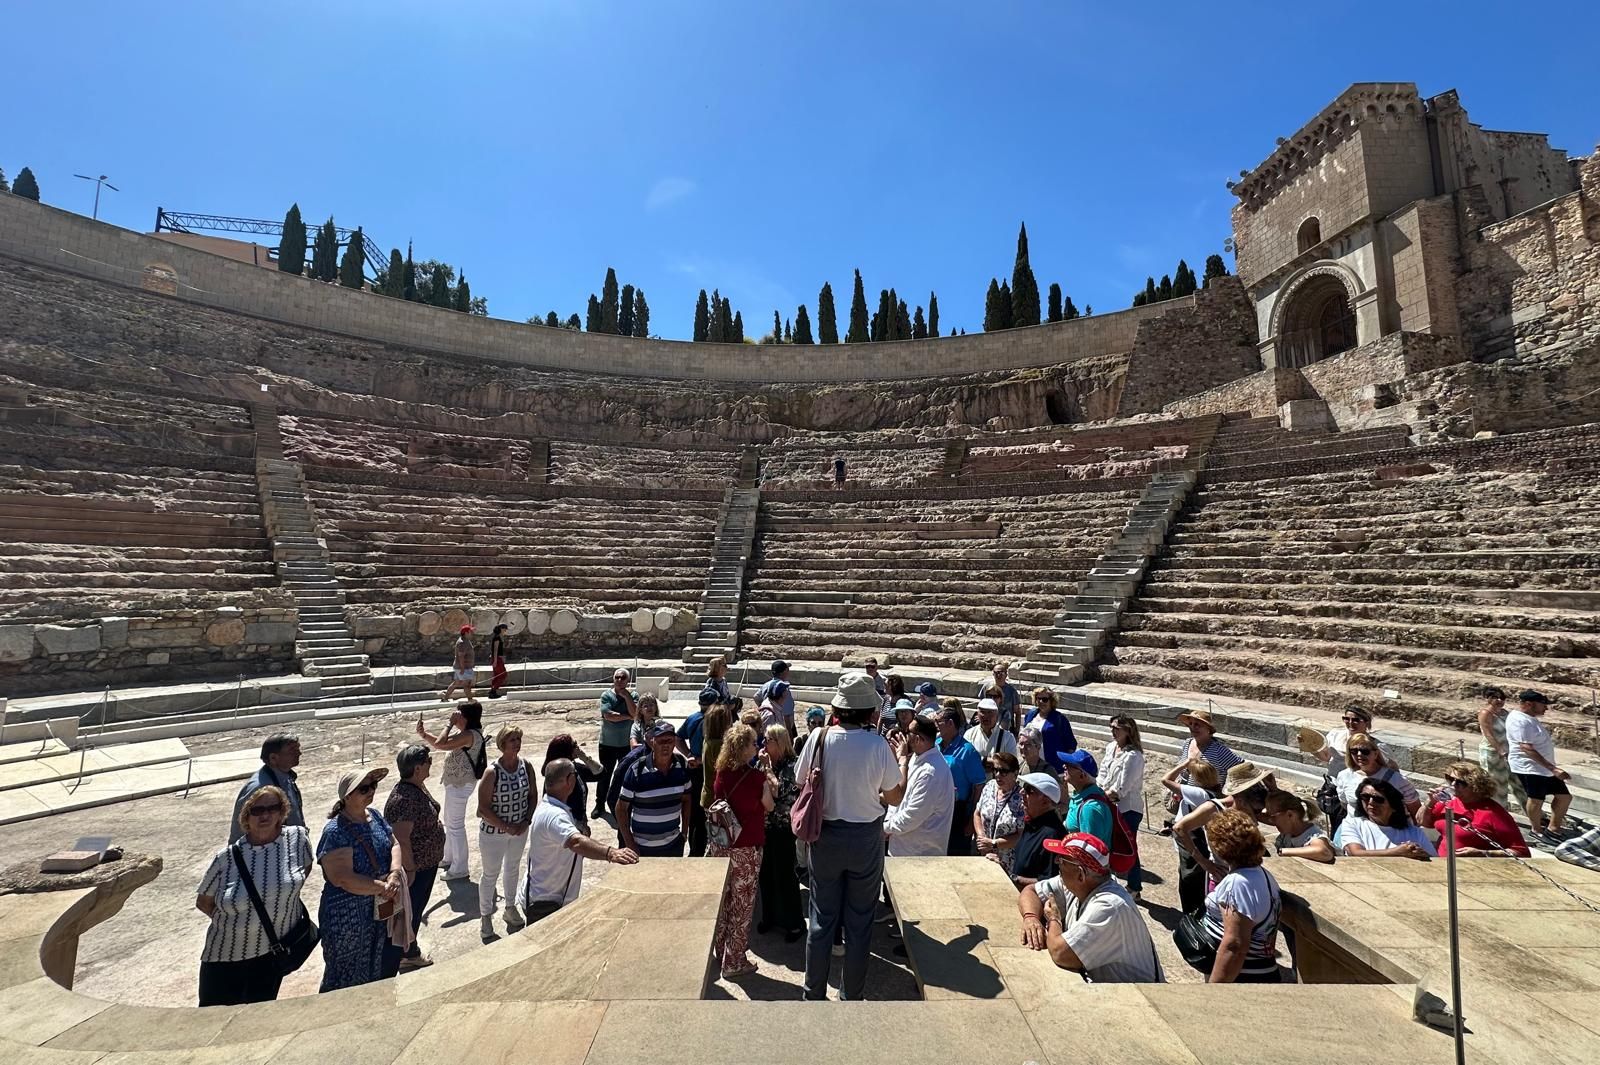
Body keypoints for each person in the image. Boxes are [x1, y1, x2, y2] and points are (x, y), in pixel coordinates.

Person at [797, 671, 904, 1001]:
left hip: (825, 835)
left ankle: (813, 993)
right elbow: (895, 796)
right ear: (870, 710)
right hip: (865, 838)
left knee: (821, 920)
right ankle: (851, 996)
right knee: (859, 923)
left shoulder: (818, 737)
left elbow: (803, 781)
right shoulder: (877, 744)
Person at [196, 784, 312, 1005]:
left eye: (273, 808)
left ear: (282, 811)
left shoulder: (297, 839)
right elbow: (204, 902)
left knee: (256, 1024)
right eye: (257, 810)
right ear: (246, 817)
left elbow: (304, 870)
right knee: (214, 1024)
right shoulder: (226, 858)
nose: (265, 815)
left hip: (271, 957)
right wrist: (244, 921)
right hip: (225, 956)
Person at [1018, 833, 1162, 983]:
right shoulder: (1080, 882)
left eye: (1061, 860)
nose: (1056, 863)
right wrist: (1031, 918)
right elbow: (1030, 891)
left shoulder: (1110, 907)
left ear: (1080, 874)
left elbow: (1060, 953)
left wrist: (1053, 919)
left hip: (1136, 999)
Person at [518, 759, 638, 925]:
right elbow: (575, 842)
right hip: (545, 904)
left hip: (547, 899)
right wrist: (611, 853)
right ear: (570, 780)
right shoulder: (554, 815)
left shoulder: (553, 808)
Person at [316, 767, 403, 991]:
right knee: (345, 972)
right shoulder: (335, 831)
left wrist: (394, 873)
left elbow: (394, 843)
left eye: (373, 786)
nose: (371, 791)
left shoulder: (374, 816)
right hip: (347, 917)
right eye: (364, 788)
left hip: (376, 907)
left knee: (374, 964)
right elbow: (342, 878)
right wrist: (382, 887)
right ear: (347, 796)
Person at [709, 722, 775, 978]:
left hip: (722, 845)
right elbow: (768, 806)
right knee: (742, 906)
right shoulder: (756, 778)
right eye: (752, 743)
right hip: (746, 848)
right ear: (743, 747)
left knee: (724, 901)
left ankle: (720, 949)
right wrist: (767, 773)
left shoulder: (721, 772)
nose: (756, 746)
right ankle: (734, 960)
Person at [1197, 809, 1283, 983]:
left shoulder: (1237, 884)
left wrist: (1213, 990)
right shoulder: (1262, 875)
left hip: (1243, 975)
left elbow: (1234, 945)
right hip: (1257, 969)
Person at [384, 743, 444, 971]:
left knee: (415, 910)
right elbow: (401, 838)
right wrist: (409, 872)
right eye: (428, 761)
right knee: (411, 911)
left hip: (425, 864)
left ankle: (409, 948)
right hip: (415, 869)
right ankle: (407, 953)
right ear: (417, 768)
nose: (431, 764)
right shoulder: (405, 799)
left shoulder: (415, 787)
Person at [416, 701, 485, 881]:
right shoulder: (463, 734)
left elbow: (440, 744)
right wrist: (424, 735)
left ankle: (460, 867)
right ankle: (449, 858)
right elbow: (443, 743)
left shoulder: (470, 735)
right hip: (455, 783)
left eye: (459, 714)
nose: (456, 716)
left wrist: (449, 723)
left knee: (456, 826)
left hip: (461, 785)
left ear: (466, 717)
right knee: (449, 822)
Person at [477, 725, 534, 938]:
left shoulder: (525, 766)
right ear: (502, 744)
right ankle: (485, 917)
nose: (517, 743)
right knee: (490, 874)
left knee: (512, 868)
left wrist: (526, 821)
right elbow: (482, 808)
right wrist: (506, 826)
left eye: (518, 739)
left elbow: (532, 795)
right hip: (494, 833)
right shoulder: (492, 772)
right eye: (512, 740)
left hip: (519, 830)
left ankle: (510, 908)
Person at [616, 720, 693, 856]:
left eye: (669, 741)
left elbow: (687, 799)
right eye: (661, 741)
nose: (666, 746)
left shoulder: (682, 766)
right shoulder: (636, 770)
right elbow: (621, 808)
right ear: (652, 743)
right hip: (642, 849)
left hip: (673, 846)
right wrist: (629, 843)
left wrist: (684, 833)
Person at [884, 715, 955, 857]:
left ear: (917, 739)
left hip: (919, 854)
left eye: (907, 732)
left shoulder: (931, 772)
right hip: (901, 850)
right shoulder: (917, 758)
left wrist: (885, 829)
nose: (904, 736)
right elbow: (899, 795)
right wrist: (888, 822)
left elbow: (912, 816)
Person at [1507, 689, 1573, 840]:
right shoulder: (1520, 721)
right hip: (1530, 767)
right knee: (1536, 800)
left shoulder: (1528, 718)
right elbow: (1526, 747)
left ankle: (1553, 828)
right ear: (1530, 704)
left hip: (1543, 767)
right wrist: (1553, 768)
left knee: (1564, 797)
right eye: (1543, 704)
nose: (1546, 708)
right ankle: (1536, 830)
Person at [758, 723, 804, 941]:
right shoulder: (765, 763)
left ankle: (794, 923)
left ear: (780, 742)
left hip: (784, 828)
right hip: (765, 827)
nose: (764, 743)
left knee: (785, 876)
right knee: (766, 874)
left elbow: (777, 792)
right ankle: (770, 917)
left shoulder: (792, 765)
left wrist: (767, 769)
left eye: (768, 740)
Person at [1425, 762, 1530, 857]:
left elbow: (1522, 852)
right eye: (1451, 779)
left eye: (1460, 782)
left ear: (1476, 787)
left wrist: (1482, 853)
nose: (1453, 785)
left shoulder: (1493, 813)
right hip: (1441, 864)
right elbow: (1423, 822)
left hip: (1473, 870)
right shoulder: (1448, 802)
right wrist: (1429, 803)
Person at [1098, 715, 1146, 898]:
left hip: (1128, 809)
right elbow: (1103, 772)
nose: (1113, 731)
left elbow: (1122, 788)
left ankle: (1135, 887)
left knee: (1128, 846)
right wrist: (1100, 790)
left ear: (1128, 731)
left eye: (1117, 728)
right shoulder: (1111, 748)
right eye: (1111, 727)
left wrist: (1103, 796)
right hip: (1109, 804)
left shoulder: (1134, 756)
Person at [229, 733, 305, 842]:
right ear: (273, 758)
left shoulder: (286, 777)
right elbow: (241, 830)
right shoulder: (259, 788)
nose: (299, 753)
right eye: (292, 750)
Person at [1339, 777, 1438, 859]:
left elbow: (1434, 859)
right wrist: (1398, 852)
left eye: (1378, 799)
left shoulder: (1414, 832)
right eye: (1365, 797)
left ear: (1393, 806)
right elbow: (1355, 853)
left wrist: (1420, 854)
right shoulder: (1352, 824)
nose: (1371, 802)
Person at [936, 702, 986, 855]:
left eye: (939, 722)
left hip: (958, 811)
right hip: (935, 807)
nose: (936, 725)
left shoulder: (967, 751)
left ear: (950, 724)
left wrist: (971, 820)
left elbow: (978, 786)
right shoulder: (935, 745)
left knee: (954, 853)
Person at [1334, 733, 1420, 821]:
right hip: (1356, 830)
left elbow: (1416, 811)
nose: (1359, 754)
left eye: (1365, 751)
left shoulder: (1397, 779)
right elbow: (1344, 803)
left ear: (1375, 753)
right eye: (1354, 751)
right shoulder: (1344, 776)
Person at [1010, 772, 1068, 888]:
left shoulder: (1052, 835)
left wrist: (1015, 879)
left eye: (1029, 790)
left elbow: (1052, 882)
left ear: (1045, 801)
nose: (1021, 792)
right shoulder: (1032, 824)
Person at [594, 669, 638, 817]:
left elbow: (636, 714)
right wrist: (628, 716)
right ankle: (599, 804)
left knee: (623, 776)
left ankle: (619, 805)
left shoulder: (633, 696)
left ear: (628, 680)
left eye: (623, 677)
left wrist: (626, 697)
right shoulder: (606, 695)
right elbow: (608, 715)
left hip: (626, 745)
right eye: (617, 677)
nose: (619, 680)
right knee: (604, 775)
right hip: (607, 743)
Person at [541, 734, 602, 838]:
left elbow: (600, 774)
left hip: (579, 824)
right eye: (574, 745)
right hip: (566, 826)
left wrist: (584, 757)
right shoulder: (556, 777)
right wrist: (578, 827)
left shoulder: (575, 768)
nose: (577, 747)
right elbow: (556, 805)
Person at [974, 752, 1026, 874]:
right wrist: (982, 839)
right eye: (995, 770)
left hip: (1007, 861)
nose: (998, 775)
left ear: (1015, 773)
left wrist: (993, 844)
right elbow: (977, 813)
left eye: (1003, 771)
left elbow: (1021, 835)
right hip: (984, 854)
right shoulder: (989, 787)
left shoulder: (1022, 798)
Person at [682, 687, 718, 857]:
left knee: (696, 817)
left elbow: (677, 738)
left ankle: (695, 850)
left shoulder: (692, 718)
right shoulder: (715, 723)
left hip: (695, 770)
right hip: (709, 772)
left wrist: (689, 754)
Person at [1476, 687, 1526, 807]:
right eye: (1495, 697)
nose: (1499, 700)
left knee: (1518, 783)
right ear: (1488, 699)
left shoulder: (1505, 713)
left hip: (1508, 752)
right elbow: (1488, 733)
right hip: (1492, 753)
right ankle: (1499, 813)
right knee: (1498, 785)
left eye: (1502, 698)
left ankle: (1532, 813)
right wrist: (1499, 749)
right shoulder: (1485, 713)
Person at [1060, 750, 1113, 850]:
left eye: (1069, 765)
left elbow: (1090, 852)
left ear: (1082, 776)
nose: (1064, 766)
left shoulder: (1090, 809)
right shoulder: (1080, 796)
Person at [1262, 792, 1334, 864]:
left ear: (1290, 815)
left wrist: (1283, 851)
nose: (1270, 820)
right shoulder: (1287, 834)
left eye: (1273, 817)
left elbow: (1324, 852)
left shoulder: (1312, 835)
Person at [1176, 709, 1241, 779]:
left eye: (1197, 724)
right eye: (1191, 724)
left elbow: (1241, 768)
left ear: (1208, 729)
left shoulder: (1218, 750)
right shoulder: (1187, 743)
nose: (1192, 727)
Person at [1024, 687, 1077, 770]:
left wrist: (1067, 766)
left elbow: (1071, 744)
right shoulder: (1031, 715)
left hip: (1055, 767)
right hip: (1033, 765)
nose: (1041, 701)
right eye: (1039, 699)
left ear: (1051, 701)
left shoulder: (1059, 719)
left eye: (1045, 699)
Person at [1315, 705, 1375, 776]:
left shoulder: (1375, 744)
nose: (1350, 723)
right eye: (1346, 719)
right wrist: (1308, 745)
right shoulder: (1335, 735)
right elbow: (1326, 757)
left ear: (1367, 722)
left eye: (1355, 720)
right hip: (1332, 781)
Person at [754, 660, 797, 734]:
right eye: (787, 670)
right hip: (780, 728)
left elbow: (756, 697)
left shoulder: (766, 685)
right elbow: (786, 715)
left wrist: (764, 707)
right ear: (783, 672)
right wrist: (789, 736)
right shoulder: (782, 689)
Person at [976, 662, 1022, 732]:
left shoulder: (1012, 691)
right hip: (987, 724)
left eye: (1001, 672)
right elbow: (980, 705)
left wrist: (1017, 731)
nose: (998, 675)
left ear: (1006, 675)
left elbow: (1017, 712)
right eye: (996, 672)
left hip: (1006, 726)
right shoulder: (986, 688)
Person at [442, 624, 477, 702]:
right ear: (466, 633)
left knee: (457, 683)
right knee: (466, 684)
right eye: (470, 631)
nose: (472, 633)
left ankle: (445, 698)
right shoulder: (462, 643)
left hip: (462, 667)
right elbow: (461, 656)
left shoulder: (466, 641)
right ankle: (470, 700)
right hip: (464, 668)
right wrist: (462, 668)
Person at [487, 623, 509, 699]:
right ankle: (493, 690)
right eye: (505, 629)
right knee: (503, 674)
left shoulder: (499, 637)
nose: (505, 631)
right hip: (497, 658)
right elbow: (495, 649)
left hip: (498, 658)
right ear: (501, 629)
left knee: (497, 675)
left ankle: (493, 691)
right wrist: (495, 661)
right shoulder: (497, 638)